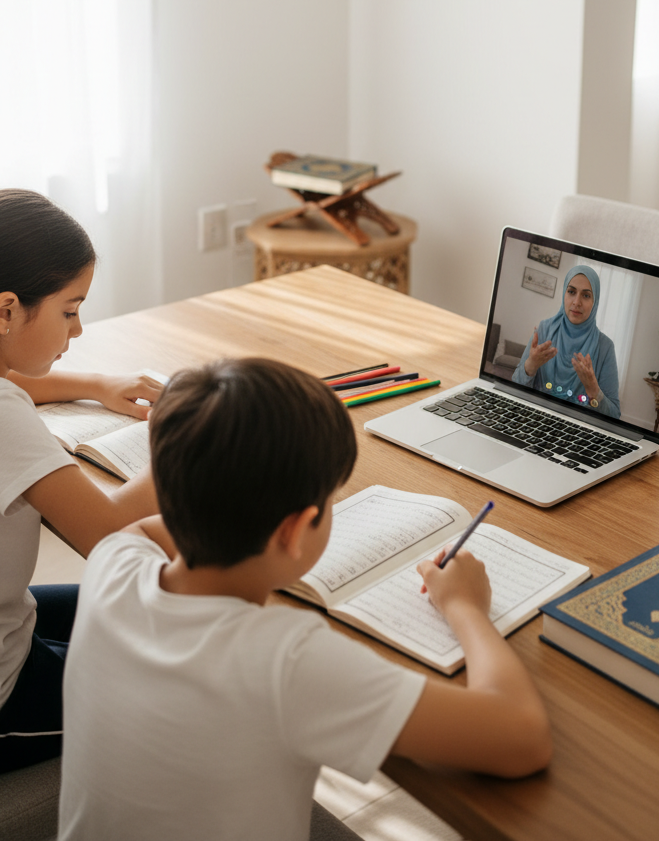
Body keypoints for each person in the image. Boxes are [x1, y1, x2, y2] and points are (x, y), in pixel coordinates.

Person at [57, 357, 552, 841]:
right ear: (293, 531)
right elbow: (522, 738)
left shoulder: (114, 562)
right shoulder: (287, 661)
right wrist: (465, 606)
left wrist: (214, 515)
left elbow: (144, 529)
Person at [0, 189, 162, 779]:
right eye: (70, 309)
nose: (78, 329)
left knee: (147, 608)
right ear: (5, 311)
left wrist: (96, 383)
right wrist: (191, 442)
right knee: (180, 684)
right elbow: (110, 536)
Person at [512, 265, 620, 418]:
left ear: (595, 302)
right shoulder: (544, 330)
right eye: (571, 292)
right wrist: (530, 365)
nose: (576, 302)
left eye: (586, 295)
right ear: (564, 293)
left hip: (578, 430)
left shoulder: (605, 347)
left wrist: (594, 390)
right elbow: (514, 389)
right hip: (535, 418)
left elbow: (615, 415)